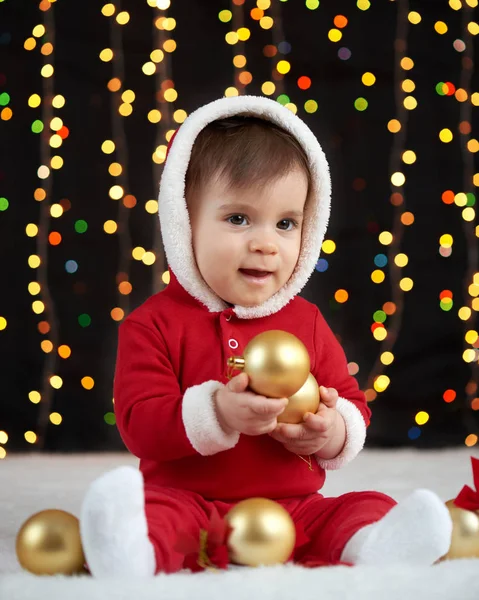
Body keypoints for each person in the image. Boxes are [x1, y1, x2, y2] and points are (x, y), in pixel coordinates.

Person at [80, 96, 452, 577]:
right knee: (159, 516)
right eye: (238, 218)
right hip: (189, 501)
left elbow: (353, 403)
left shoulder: (307, 322)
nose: (265, 242)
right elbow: (139, 423)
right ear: (183, 222)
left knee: (359, 505)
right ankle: (131, 550)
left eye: (286, 223)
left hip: (293, 506)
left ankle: (377, 543)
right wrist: (216, 412)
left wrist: (327, 431)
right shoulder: (153, 324)